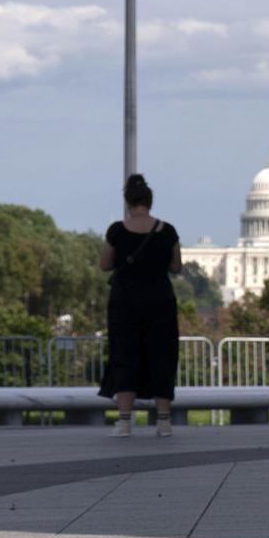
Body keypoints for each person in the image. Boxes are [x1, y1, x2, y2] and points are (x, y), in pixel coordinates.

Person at [99, 173, 183, 438]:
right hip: (160, 301)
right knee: (162, 356)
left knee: (125, 357)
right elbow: (176, 266)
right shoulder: (167, 231)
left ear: (128, 202)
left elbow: (104, 264)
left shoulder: (116, 230)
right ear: (150, 201)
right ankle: (164, 421)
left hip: (125, 302)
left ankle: (124, 422)